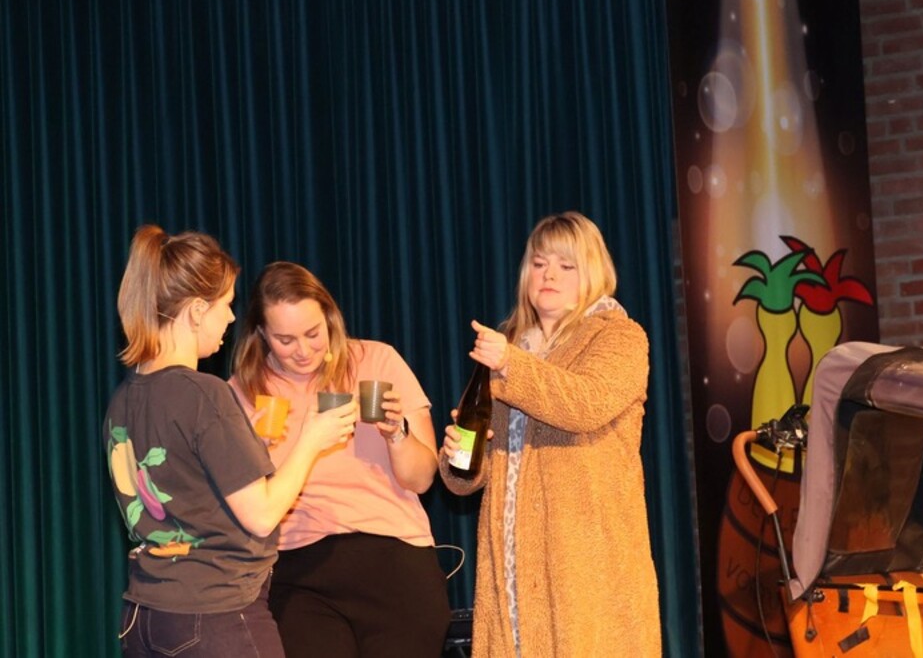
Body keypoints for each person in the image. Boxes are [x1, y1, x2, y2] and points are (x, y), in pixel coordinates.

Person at [104, 225, 356, 657]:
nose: (232, 318)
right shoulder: (204, 392)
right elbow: (262, 516)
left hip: (145, 618)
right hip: (213, 615)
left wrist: (245, 442)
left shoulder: (124, 398)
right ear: (197, 311)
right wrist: (311, 439)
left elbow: (184, 489)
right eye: (226, 304)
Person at [439, 211, 662, 656]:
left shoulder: (619, 337)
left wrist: (510, 365)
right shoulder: (510, 347)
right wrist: (459, 456)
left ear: (592, 273)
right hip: (512, 572)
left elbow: (585, 404)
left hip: (585, 568)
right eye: (539, 263)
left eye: (565, 265)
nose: (549, 275)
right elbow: (471, 475)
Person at [228, 261, 451, 658]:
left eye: (313, 333)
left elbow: (421, 479)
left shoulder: (377, 360)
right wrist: (254, 452)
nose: (303, 350)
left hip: (394, 556)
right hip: (299, 570)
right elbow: (245, 509)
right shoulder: (243, 392)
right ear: (261, 333)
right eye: (285, 339)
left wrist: (396, 433)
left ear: (330, 317)